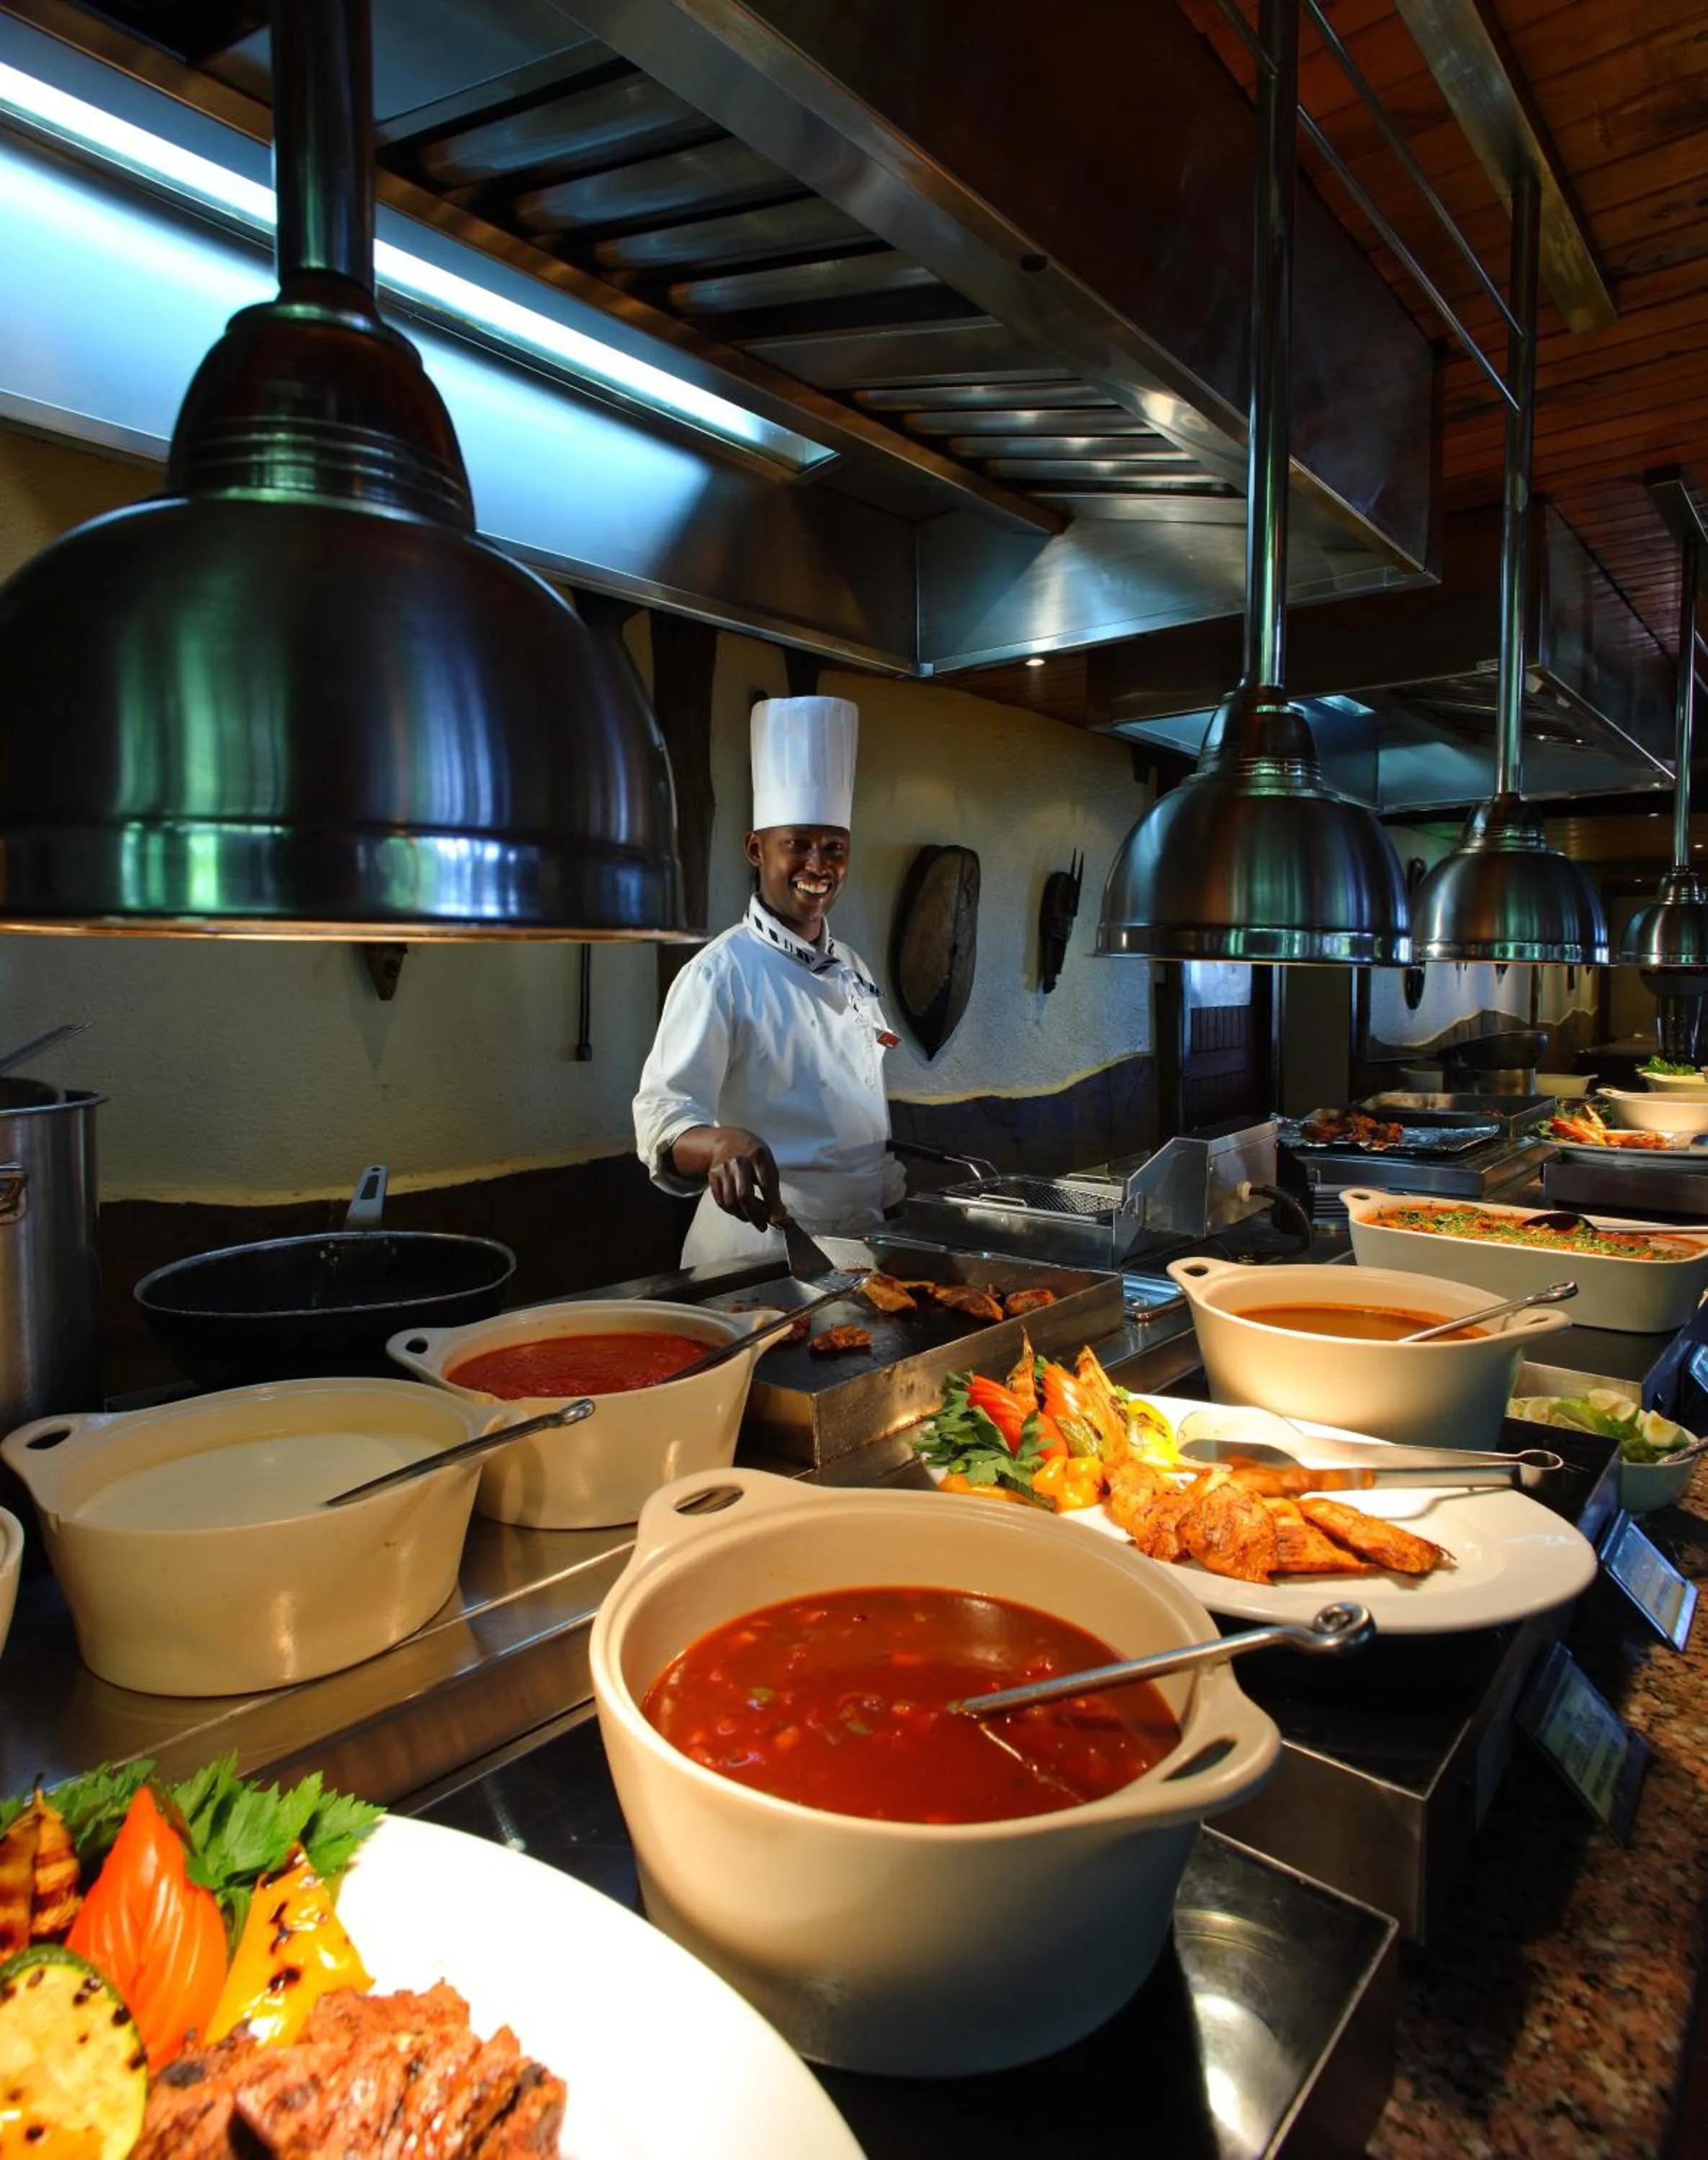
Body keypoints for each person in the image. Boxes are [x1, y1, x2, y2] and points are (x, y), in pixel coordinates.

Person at [633, 694, 905, 1266]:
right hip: (758, 1247)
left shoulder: (853, 967)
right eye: (797, 845)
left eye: (834, 847)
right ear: (757, 850)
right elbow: (662, 1118)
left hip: (865, 1243)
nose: (818, 865)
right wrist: (720, 1144)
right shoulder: (718, 974)